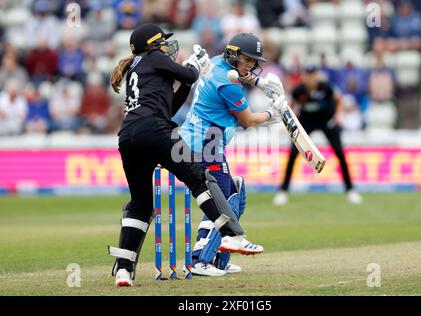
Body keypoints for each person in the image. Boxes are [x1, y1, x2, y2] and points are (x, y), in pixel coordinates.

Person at [107, 23, 264, 287]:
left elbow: (170, 106)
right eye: (164, 42)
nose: (168, 47)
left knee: (141, 203)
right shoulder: (153, 57)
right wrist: (194, 65)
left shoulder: (140, 68)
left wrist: (193, 74)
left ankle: (123, 269)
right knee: (199, 179)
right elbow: (188, 76)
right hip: (156, 132)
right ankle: (230, 235)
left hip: (128, 137)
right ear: (153, 44)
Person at [178, 33, 285, 276]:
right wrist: (272, 115)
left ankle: (216, 258)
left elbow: (240, 77)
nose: (251, 65)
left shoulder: (217, 62)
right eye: (247, 59)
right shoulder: (228, 86)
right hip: (206, 141)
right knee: (220, 199)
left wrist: (259, 84)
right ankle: (201, 259)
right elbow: (247, 119)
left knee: (229, 193)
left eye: (253, 61)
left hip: (202, 139)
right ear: (234, 54)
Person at [273, 65, 363, 206]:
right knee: (292, 154)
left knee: (339, 153)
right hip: (306, 123)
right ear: (304, 76)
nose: (310, 78)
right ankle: (283, 191)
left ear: (317, 76)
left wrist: (338, 116)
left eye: (313, 75)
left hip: (326, 122)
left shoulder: (326, 88)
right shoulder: (299, 90)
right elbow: (290, 106)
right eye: (307, 75)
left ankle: (350, 190)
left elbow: (339, 100)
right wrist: (289, 121)